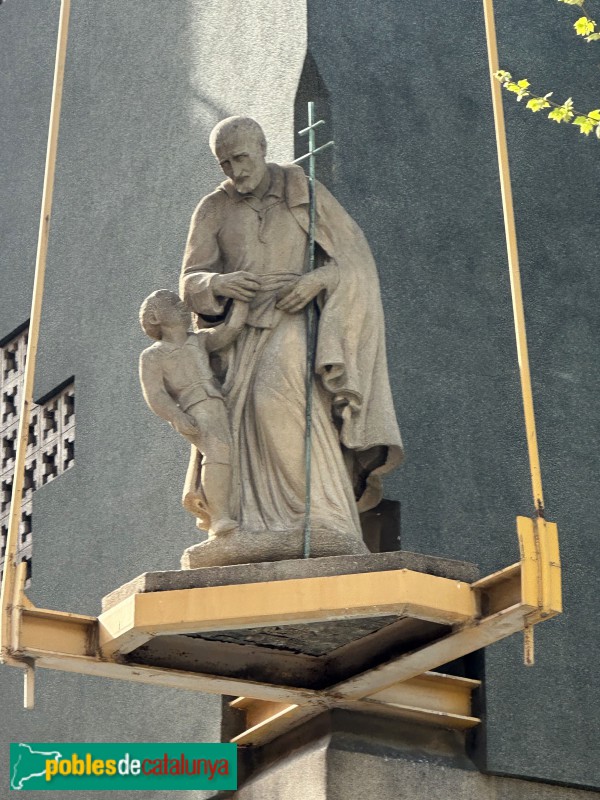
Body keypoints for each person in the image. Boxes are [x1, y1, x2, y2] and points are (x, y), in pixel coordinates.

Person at [179, 116, 403, 558]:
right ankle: (250, 526)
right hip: (236, 331)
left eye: (241, 158)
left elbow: (357, 264)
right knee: (239, 426)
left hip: (290, 315)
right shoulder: (214, 208)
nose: (235, 172)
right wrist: (218, 285)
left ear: (262, 148)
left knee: (278, 404)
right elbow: (189, 282)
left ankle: (316, 517)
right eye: (225, 164)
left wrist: (317, 280)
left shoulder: (304, 192)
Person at [138, 289, 247, 537]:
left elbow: (229, 332)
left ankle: (231, 508)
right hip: (194, 408)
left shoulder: (199, 340)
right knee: (217, 452)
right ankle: (219, 516)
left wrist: (242, 301)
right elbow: (155, 394)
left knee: (231, 453)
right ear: (155, 318)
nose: (182, 306)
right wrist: (176, 416)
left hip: (218, 402)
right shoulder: (153, 356)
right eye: (174, 303)